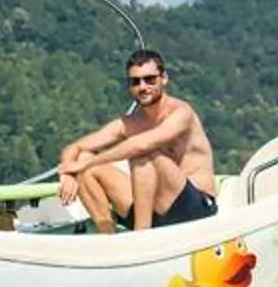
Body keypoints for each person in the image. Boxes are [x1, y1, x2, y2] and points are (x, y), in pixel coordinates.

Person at [55, 49, 218, 233]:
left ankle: (141, 235)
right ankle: (107, 237)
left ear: (163, 78)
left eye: (150, 79)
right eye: (136, 81)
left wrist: (85, 163)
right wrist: (67, 172)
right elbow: (75, 146)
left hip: (194, 207)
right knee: (84, 163)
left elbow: (141, 145)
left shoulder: (181, 113)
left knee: (141, 153)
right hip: (152, 210)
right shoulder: (130, 123)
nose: (143, 87)